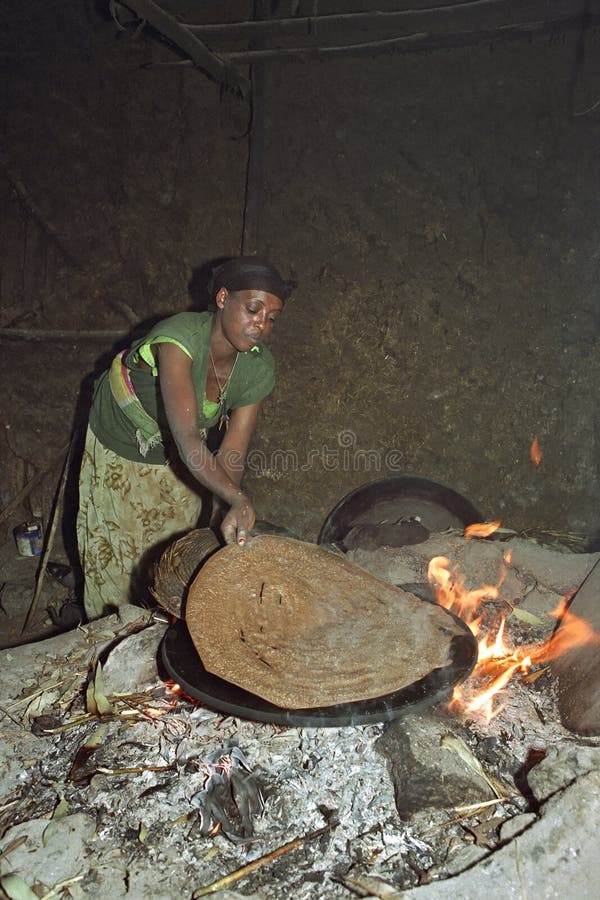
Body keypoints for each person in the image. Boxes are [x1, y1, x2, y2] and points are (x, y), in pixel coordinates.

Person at [76, 256, 295, 620]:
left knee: (172, 550)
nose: (261, 325)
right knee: (115, 550)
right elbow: (190, 441)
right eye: (253, 309)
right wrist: (237, 497)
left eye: (271, 318)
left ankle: (154, 630)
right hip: (126, 437)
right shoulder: (179, 339)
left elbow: (232, 452)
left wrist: (224, 510)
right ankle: (106, 637)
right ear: (223, 298)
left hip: (181, 446)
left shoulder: (256, 369)